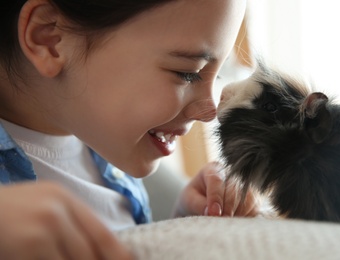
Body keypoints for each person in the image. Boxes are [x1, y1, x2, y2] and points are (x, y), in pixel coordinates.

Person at [0, 0, 258, 259]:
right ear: (50, 39)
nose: (209, 113)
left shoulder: (100, 143)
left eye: (218, 75)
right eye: (187, 73)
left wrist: (181, 228)